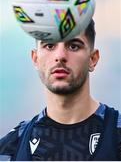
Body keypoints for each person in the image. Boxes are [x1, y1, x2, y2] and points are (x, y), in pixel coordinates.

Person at [0, 19, 121, 161]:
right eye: (50, 45)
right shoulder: (11, 147)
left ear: (92, 59)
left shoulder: (117, 135)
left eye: (74, 46)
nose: (60, 56)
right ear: (35, 58)